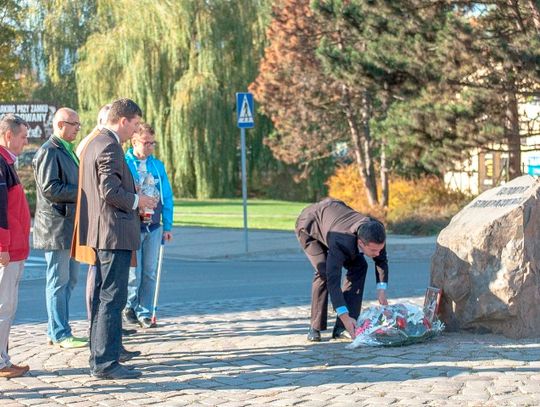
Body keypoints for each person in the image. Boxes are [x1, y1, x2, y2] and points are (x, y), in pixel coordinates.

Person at [73, 98, 156, 380]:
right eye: (133, 125)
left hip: (103, 231)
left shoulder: (95, 142)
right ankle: (106, 362)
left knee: (102, 296)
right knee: (112, 297)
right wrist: (138, 200)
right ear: (123, 120)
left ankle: (100, 355)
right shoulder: (108, 145)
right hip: (113, 231)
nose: (134, 131)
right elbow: (109, 190)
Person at [295, 198, 389, 342]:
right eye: (374, 250)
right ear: (360, 243)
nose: (378, 253)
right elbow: (334, 281)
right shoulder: (341, 243)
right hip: (310, 227)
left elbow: (381, 260)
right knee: (324, 272)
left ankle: (342, 329)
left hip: (335, 216)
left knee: (360, 266)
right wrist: (343, 315)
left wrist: (381, 289)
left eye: (380, 249)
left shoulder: (375, 231)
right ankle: (315, 326)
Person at [32, 108, 87, 349]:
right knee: (58, 281)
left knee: (70, 279)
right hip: (56, 228)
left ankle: (55, 327)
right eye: (75, 124)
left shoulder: (67, 150)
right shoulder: (49, 151)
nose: (78, 128)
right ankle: (60, 332)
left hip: (70, 227)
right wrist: (83, 193)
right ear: (61, 124)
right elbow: (50, 188)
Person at [123, 123, 173, 328]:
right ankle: (130, 305)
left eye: (153, 143)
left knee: (149, 271)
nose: (150, 147)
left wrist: (168, 226)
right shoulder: (125, 163)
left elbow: (167, 196)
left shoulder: (157, 166)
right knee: (134, 272)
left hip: (153, 226)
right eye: (146, 143)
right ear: (134, 141)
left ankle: (145, 311)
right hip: (133, 225)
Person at [0, 114, 31, 378]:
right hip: (6, 252)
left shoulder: (7, 163)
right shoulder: (0, 164)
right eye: (23, 136)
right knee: (3, 306)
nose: (25, 141)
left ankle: (3, 358)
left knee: (7, 306)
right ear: (8, 135)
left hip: (15, 249)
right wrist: (3, 246)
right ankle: (0, 363)